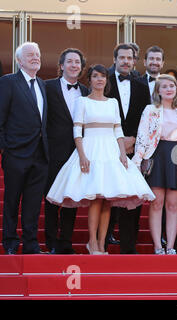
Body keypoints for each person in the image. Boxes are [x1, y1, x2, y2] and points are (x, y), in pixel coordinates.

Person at [46, 64, 155, 255]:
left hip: (111, 150)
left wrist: (122, 153)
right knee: (96, 198)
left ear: (106, 80)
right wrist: (82, 155)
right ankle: (92, 241)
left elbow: (118, 129)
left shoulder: (112, 102)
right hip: (90, 149)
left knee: (107, 200)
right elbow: (77, 130)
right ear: (90, 80)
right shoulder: (82, 101)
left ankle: (102, 243)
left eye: (103, 76)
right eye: (95, 76)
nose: (99, 80)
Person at [132, 74, 177, 255]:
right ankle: (158, 246)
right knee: (157, 203)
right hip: (156, 154)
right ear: (158, 91)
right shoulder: (150, 109)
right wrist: (139, 160)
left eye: (172, 86)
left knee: (174, 204)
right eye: (165, 86)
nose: (169, 89)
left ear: (176, 90)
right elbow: (142, 135)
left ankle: (171, 246)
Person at [0, 42, 49, 255]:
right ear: (19, 60)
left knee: (32, 203)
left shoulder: (43, 85)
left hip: (40, 154)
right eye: (30, 55)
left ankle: (31, 244)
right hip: (16, 153)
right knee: (12, 199)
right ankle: (10, 242)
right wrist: (5, 149)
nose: (35, 57)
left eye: (37, 54)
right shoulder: (8, 82)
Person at [106, 43, 151, 253]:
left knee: (131, 197)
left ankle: (128, 246)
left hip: (133, 148)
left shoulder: (142, 87)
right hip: (106, 146)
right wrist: (117, 140)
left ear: (134, 61)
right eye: (122, 57)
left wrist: (133, 139)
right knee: (106, 195)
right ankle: (102, 242)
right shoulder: (102, 81)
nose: (125, 61)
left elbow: (146, 117)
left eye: (129, 58)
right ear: (115, 59)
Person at [44, 48, 89, 254]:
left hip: (77, 153)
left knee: (72, 198)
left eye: (77, 62)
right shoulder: (46, 87)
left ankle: (66, 242)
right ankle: (51, 242)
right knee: (52, 197)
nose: (73, 65)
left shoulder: (87, 92)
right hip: (53, 151)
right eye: (69, 62)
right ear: (61, 65)